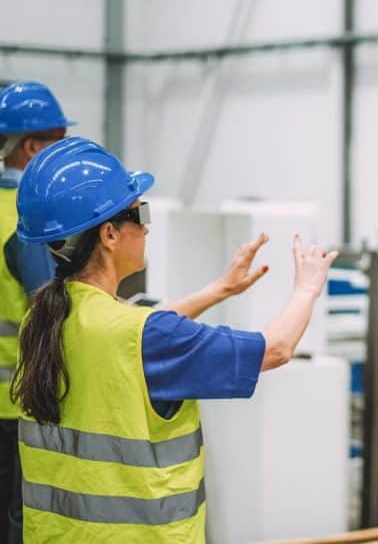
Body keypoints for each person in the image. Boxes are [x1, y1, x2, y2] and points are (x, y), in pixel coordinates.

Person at [11, 137, 337, 542]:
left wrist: (220, 289)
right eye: (139, 213)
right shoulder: (143, 336)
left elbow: (140, 329)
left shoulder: (44, 319)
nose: (146, 226)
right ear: (109, 234)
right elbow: (275, 348)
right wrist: (307, 286)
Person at [0, 81, 75, 544]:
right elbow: (50, 309)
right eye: (58, 144)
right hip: (10, 404)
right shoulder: (24, 219)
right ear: (31, 147)